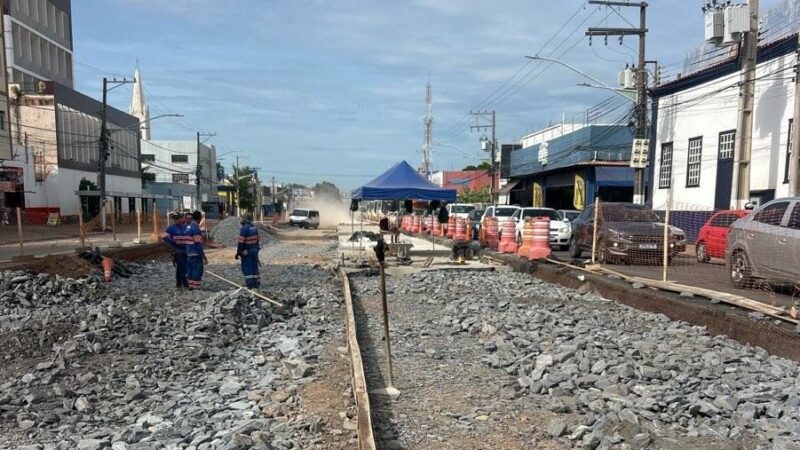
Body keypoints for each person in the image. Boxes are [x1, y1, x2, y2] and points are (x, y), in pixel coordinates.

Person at [162, 211, 189, 290]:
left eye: (177, 218)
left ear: (181, 218)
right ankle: (184, 284)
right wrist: (174, 243)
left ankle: (179, 283)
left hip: (186, 250)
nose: (175, 220)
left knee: (182, 268)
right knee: (182, 267)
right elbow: (164, 237)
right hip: (178, 252)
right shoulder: (171, 228)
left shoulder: (186, 227)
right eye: (174, 219)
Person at [236, 213, 261, 289]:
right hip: (255, 250)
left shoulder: (244, 229)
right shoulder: (254, 228)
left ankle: (250, 285)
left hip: (247, 252)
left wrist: (239, 252)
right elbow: (257, 240)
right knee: (254, 267)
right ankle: (256, 284)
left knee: (247, 268)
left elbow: (241, 242)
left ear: (245, 220)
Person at [185, 210, 208, 290]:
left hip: (189, 252)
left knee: (190, 269)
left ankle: (190, 285)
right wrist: (203, 256)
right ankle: (196, 287)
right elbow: (198, 244)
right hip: (195, 253)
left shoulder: (188, 227)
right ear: (199, 218)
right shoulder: (196, 229)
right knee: (197, 270)